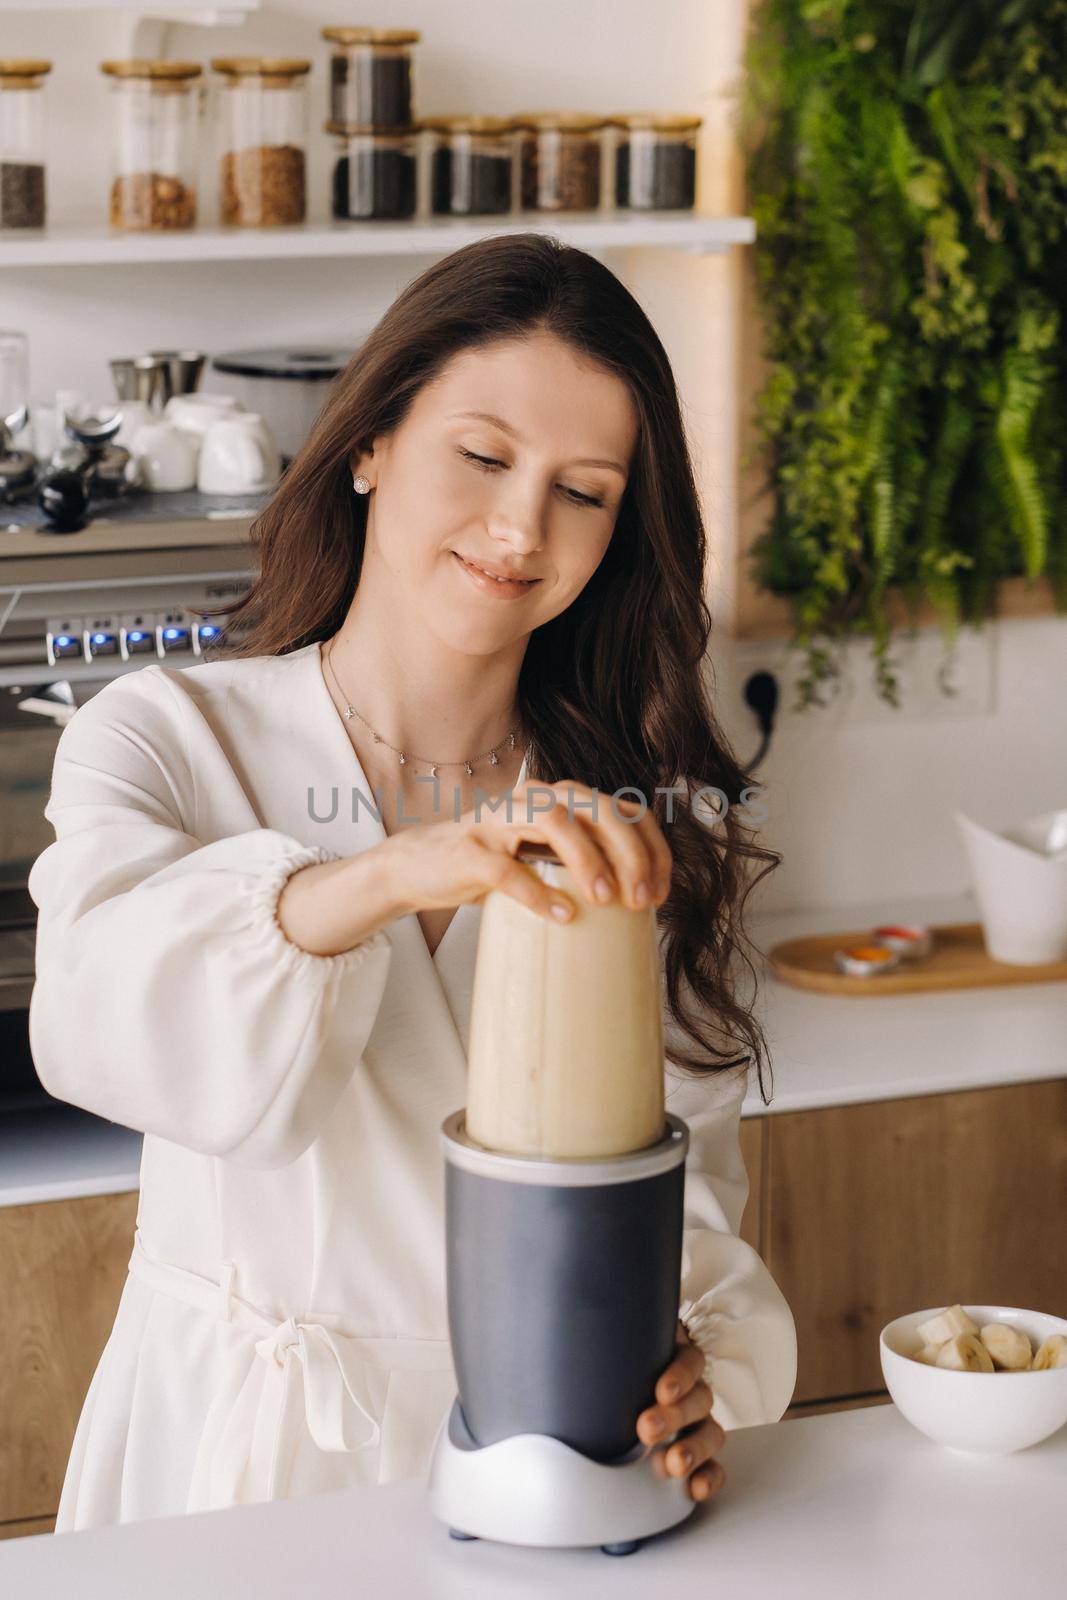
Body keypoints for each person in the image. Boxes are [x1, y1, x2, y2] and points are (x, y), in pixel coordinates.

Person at [28, 232, 797, 1533]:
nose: (520, 526)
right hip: (226, 1453)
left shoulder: (629, 817)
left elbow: (686, 1199)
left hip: (524, 1452)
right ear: (371, 445)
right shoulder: (165, 734)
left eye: (585, 490)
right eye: (485, 458)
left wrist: (695, 1370)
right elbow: (94, 1026)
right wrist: (390, 875)